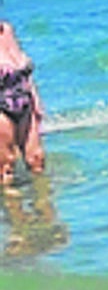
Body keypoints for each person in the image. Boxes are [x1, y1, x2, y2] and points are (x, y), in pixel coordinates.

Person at [0, 21, 46, 187]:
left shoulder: (6, 30)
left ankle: (44, 208)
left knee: (36, 160)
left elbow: (24, 71)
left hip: (23, 99)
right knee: (6, 166)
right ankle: (14, 211)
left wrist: (36, 99)